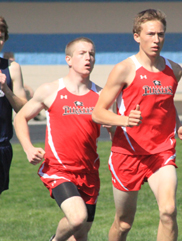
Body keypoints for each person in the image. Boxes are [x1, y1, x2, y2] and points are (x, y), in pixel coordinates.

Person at [92, 9, 182, 241]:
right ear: (137, 36)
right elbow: (98, 113)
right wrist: (124, 120)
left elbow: (166, 105)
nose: (156, 40)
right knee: (124, 223)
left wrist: (178, 128)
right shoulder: (124, 69)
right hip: (127, 153)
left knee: (168, 212)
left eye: (161, 34)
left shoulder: (174, 70)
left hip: (161, 152)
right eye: (150, 34)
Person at [14, 37, 110, 241]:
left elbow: (115, 131)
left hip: (89, 172)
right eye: (82, 53)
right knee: (77, 219)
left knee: (81, 234)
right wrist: (28, 148)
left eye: (91, 54)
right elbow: (21, 116)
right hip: (58, 169)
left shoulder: (101, 96)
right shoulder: (51, 90)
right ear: (68, 59)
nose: (88, 58)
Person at [0, 16, 27, 195]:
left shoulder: (12, 68)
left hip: (1, 146)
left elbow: (24, 109)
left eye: (1, 37)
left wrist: (5, 89)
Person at [3, 51, 46, 121]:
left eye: (13, 60)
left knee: (26, 93)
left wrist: (28, 88)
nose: (13, 62)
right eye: (11, 60)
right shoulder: (6, 69)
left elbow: (19, 83)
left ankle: (36, 114)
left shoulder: (14, 68)